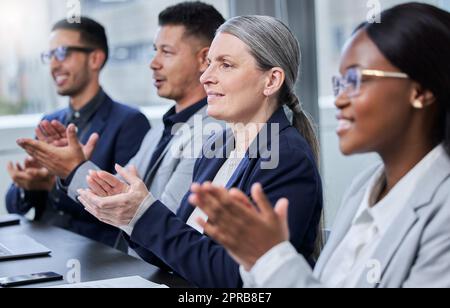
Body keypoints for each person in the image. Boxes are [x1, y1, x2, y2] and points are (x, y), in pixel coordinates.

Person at [190, 3, 450, 288]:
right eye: (341, 83)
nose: (339, 99)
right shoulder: (365, 186)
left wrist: (269, 257)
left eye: (357, 80)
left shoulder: (444, 212)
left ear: (420, 92)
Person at [74, 16, 323, 288]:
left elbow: (235, 279)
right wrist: (131, 217)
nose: (205, 77)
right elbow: (181, 251)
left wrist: (144, 214)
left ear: (272, 80)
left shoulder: (285, 158)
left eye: (225, 65)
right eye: (209, 64)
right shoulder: (216, 147)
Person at [7, 17, 150, 249]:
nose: (54, 65)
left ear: (95, 58)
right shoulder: (50, 121)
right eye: (50, 55)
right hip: (39, 246)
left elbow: (122, 211)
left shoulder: (129, 123)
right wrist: (28, 185)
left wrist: (53, 186)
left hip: (94, 255)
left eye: (62, 53)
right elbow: (13, 206)